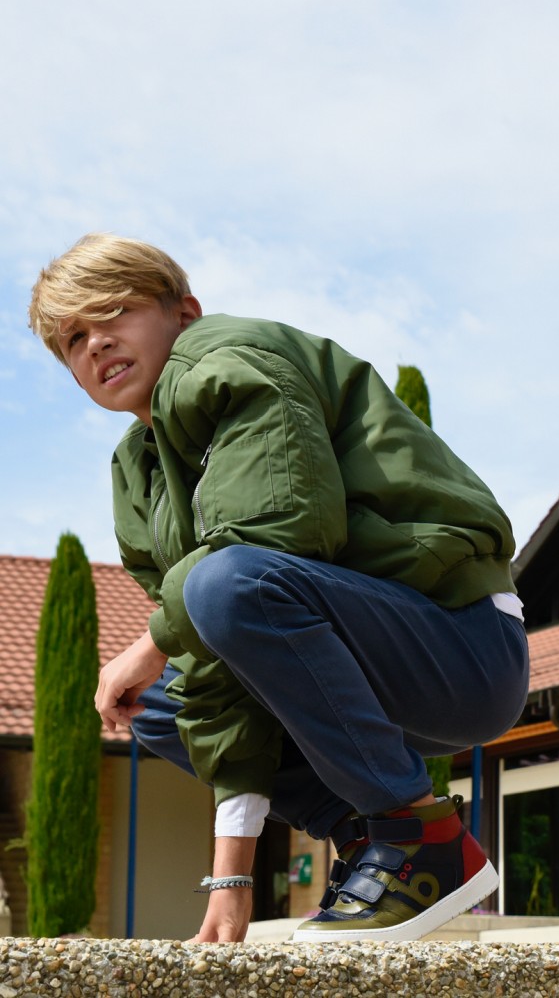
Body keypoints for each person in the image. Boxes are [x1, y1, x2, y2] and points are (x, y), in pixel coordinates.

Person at [28, 233, 529, 944]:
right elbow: (219, 659)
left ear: (184, 311)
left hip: (460, 644)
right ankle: (369, 842)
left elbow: (274, 533)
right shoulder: (138, 472)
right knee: (160, 705)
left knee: (222, 588)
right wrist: (232, 885)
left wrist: (148, 643)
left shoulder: (229, 357)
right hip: (355, 669)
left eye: (114, 312)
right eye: (74, 338)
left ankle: (422, 840)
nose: (96, 344)